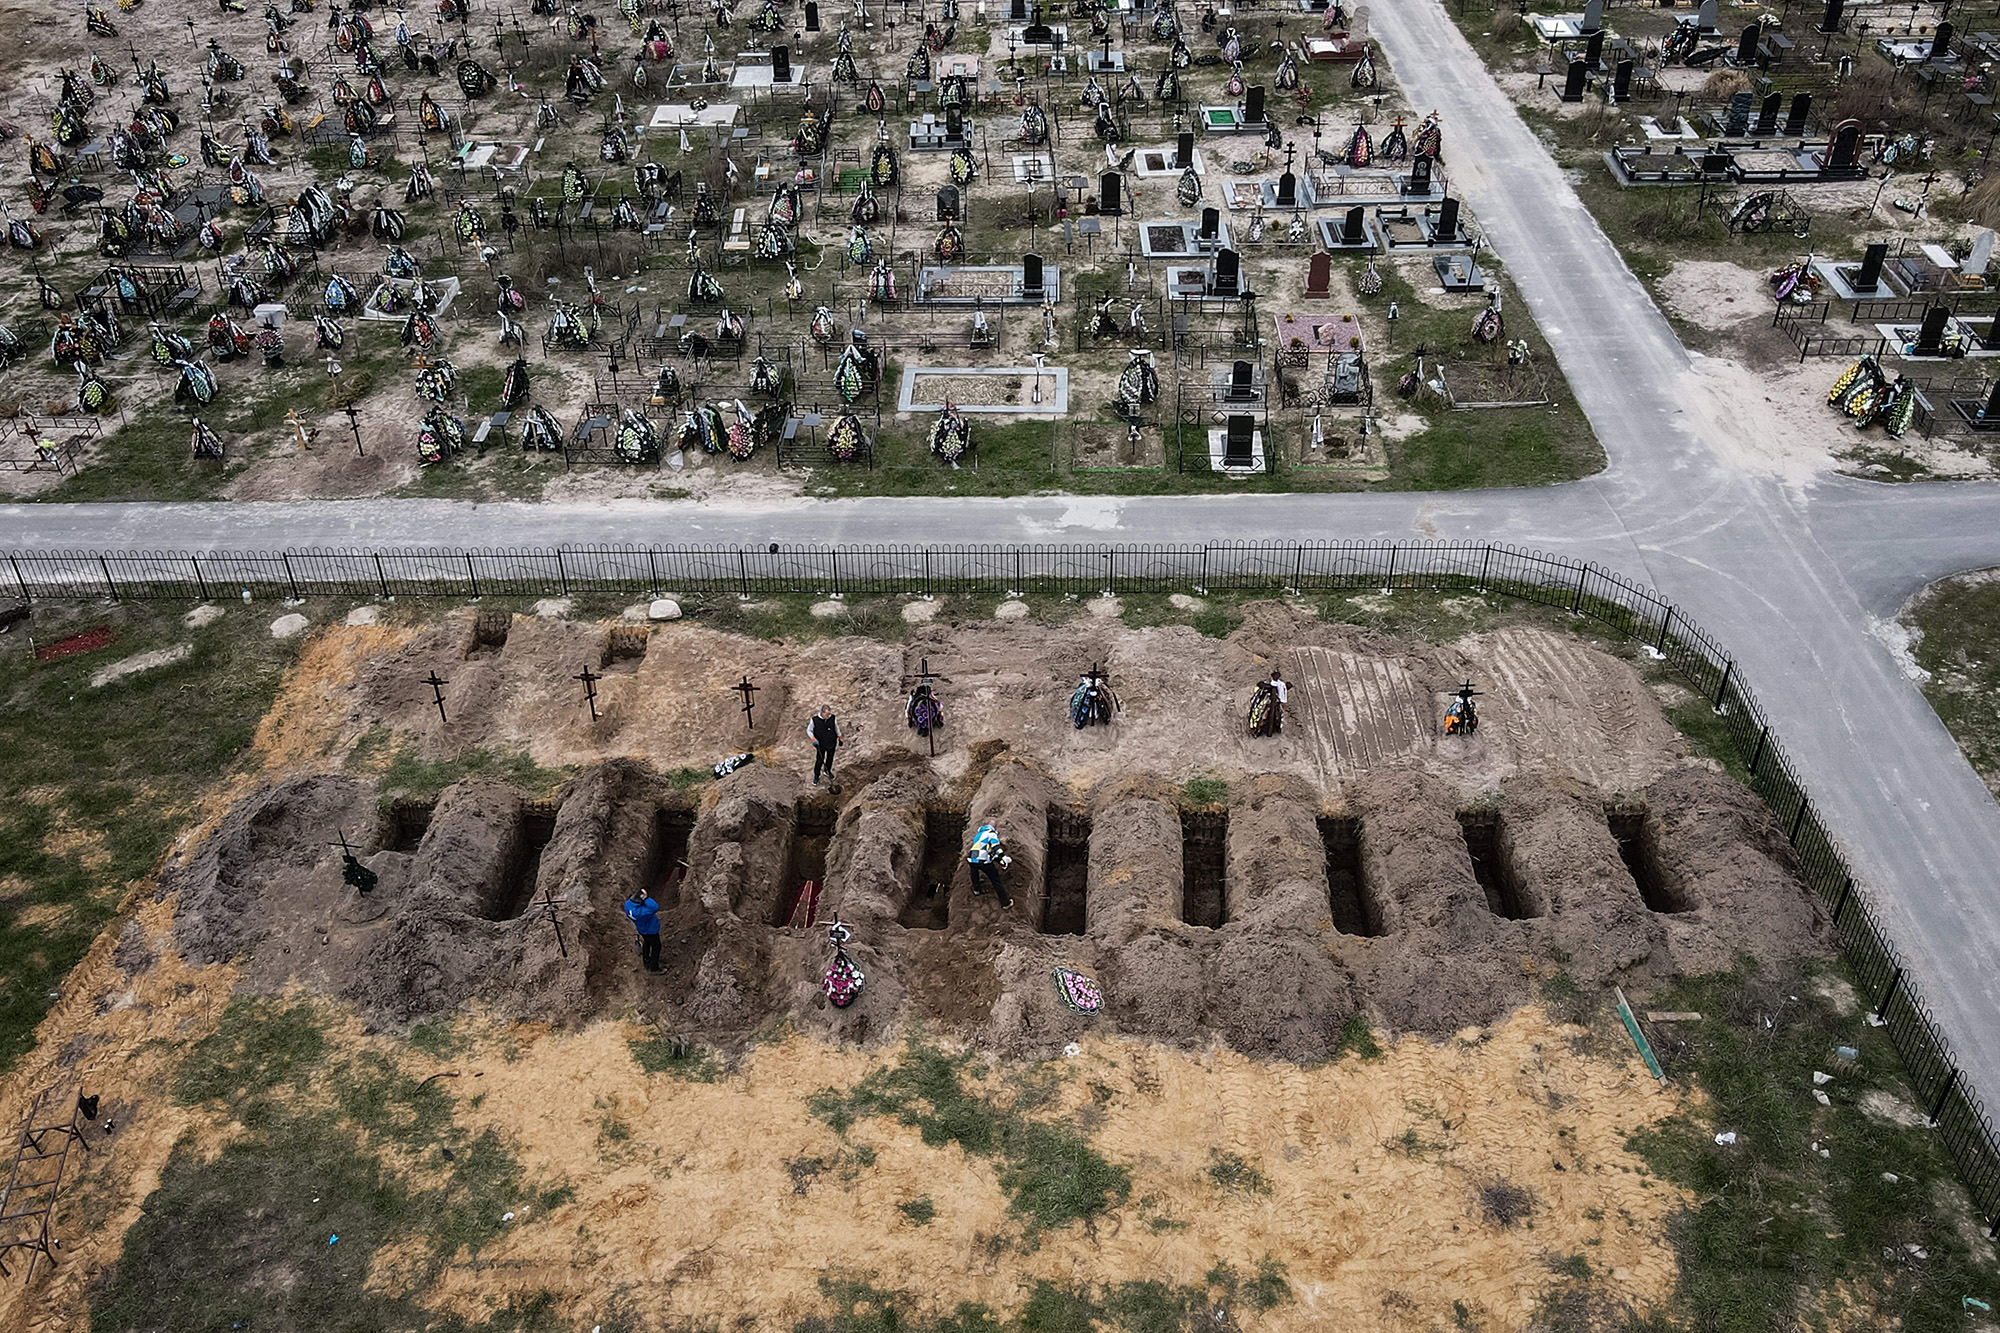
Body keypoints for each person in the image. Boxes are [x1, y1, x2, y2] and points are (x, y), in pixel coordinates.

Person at [967, 821, 1012, 907]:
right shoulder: (991, 834)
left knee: (974, 873)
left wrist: (999, 860)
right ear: (995, 828)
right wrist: (1002, 857)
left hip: (972, 859)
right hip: (984, 861)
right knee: (996, 879)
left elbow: (988, 851)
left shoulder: (978, 835)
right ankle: (1005, 903)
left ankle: (976, 890)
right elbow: (995, 847)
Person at [623, 891, 662, 972]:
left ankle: (646, 960)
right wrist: (645, 897)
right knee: (656, 947)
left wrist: (640, 895)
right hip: (651, 931)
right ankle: (654, 968)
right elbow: (654, 907)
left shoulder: (628, 905)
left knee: (647, 943)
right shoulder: (642, 912)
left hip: (642, 929)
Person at [808, 704, 840, 785]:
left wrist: (840, 737)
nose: (829, 716)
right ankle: (816, 776)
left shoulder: (832, 718)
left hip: (831, 742)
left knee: (830, 758)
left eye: (829, 714)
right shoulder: (814, 720)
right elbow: (809, 730)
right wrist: (813, 739)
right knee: (819, 760)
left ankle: (827, 771)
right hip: (820, 744)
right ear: (822, 712)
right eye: (827, 714)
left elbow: (836, 728)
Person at [1267, 669, 1288, 734]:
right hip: (1280, 701)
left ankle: (1276, 728)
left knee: (1278, 715)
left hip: (1278, 701)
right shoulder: (1282, 684)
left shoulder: (1279, 685)